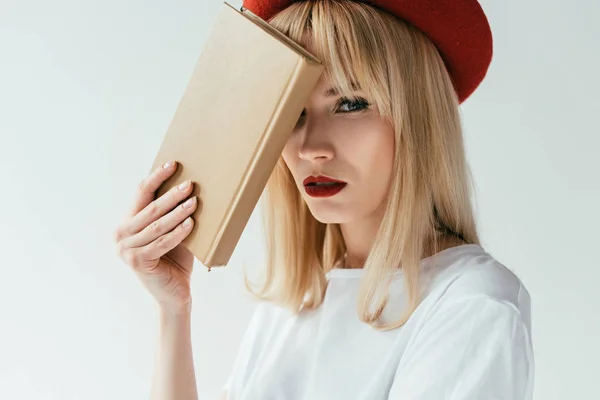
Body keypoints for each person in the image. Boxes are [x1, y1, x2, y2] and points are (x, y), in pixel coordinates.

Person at [113, 0, 534, 399]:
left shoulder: (471, 306)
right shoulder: (292, 308)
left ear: (419, 118)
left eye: (350, 104)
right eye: (293, 113)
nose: (310, 146)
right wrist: (173, 311)